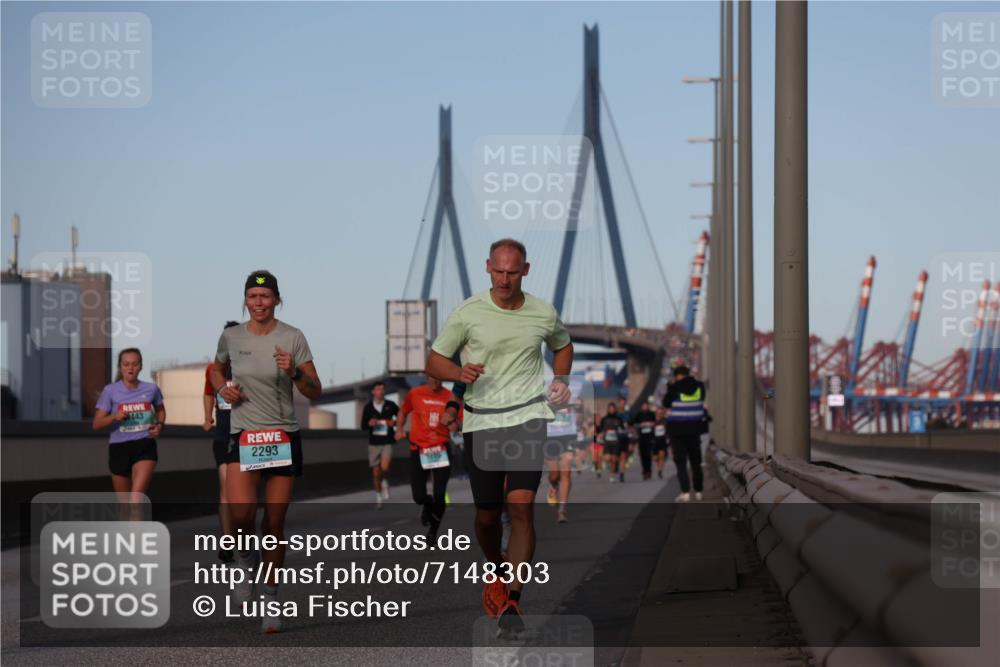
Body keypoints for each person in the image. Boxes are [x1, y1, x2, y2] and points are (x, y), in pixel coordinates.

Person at [425, 238, 573, 637]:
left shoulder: (543, 312)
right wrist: (458, 374)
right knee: (487, 515)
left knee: (522, 506)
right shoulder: (468, 313)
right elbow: (435, 360)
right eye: (498, 271)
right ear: (487, 267)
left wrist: (560, 378)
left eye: (513, 272)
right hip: (482, 422)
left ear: (526, 270)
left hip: (527, 417)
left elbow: (563, 345)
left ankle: (513, 598)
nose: (505, 279)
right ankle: (496, 567)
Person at [212, 270, 321, 633]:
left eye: (265, 297)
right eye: (252, 297)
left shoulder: (292, 337)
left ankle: (271, 599)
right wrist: (223, 389)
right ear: (245, 300)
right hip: (244, 436)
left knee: (274, 524)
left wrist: (293, 373)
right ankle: (245, 559)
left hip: (282, 437)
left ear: (277, 300)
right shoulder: (231, 336)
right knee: (242, 516)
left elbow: (315, 390)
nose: (258, 303)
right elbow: (216, 369)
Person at [93, 348, 166, 505]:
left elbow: (160, 410)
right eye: (126, 364)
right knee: (125, 506)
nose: (130, 368)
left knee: (135, 500)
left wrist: (160, 425)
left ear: (140, 366)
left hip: (144, 444)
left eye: (134, 364)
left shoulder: (151, 389)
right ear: (120, 367)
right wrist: (114, 416)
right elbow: (97, 424)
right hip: (119, 447)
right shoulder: (110, 391)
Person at [395, 377, 461, 541]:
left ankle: (433, 531)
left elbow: (460, 420)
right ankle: (427, 502)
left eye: (439, 378)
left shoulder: (450, 396)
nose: (436, 381)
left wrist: (455, 424)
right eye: (433, 377)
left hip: (441, 448)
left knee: (440, 494)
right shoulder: (415, 393)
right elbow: (403, 411)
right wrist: (399, 429)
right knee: (418, 496)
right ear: (427, 376)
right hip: (419, 448)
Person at [203, 321, 241, 562]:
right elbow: (208, 392)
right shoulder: (213, 370)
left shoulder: (249, 368)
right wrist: (207, 417)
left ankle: (242, 537)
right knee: (226, 489)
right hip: (223, 435)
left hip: (248, 435)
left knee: (243, 494)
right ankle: (228, 541)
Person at [662, 366, 707, 502]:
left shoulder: (674, 387)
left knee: (681, 462)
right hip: (694, 429)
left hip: (677, 430)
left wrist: (670, 388)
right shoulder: (700, 386)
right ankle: (699, 491)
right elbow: (702, 399)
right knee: (696, 462)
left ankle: (685, 492)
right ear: (688, 374)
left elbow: (666, 403)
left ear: (677, 376)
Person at [544, 376, 583, 523]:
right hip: (549, 435)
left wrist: (579, 405)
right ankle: (553, 485)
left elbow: (579, 405)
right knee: (554, 475)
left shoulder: (575, 385)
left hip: (568, 434)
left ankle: (562, 510)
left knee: (566, 472)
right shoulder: (542, 385)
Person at [361, 381, 400, 509]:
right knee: (376, 473)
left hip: (387, 441)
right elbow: (363, 426)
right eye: (378, 389)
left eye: (382, 389)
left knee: (385, 468)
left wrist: (393, 423)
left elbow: (401, 417)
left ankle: (385, 481)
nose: (381, 391)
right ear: (373, 392)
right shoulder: (368, 407)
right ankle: (379, 496)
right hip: (374, 443)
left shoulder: (391, 405)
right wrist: (369, 423)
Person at [599, 403, 626, 483]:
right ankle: (607, 465)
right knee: (608, 458)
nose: (611, 410)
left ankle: (612, 476)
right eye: (610, 409)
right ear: (608, 409)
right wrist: (601, 434)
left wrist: (622, 430)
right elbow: (601, 430)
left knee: (614, 460)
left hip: (616, 441)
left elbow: (622, 429)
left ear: (615, 409)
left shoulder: (618, 419)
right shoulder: (604, 419)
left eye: (613, 409)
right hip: (607, 441)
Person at [632, 400, 657, 481]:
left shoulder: (652, 414)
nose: (645, 407)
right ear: (642, 407)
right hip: (642, 438)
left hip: (650, 437)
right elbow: (633, 423)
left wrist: (652, 424)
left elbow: (656, 423)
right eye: (644, 406)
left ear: (648, 406)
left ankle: (649, 471)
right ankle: (644, 471)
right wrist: (640, 425)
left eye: (647, 405)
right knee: (643, 455)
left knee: (649, 455)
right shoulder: (639, 414)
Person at [652, 406, 669, 480]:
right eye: (658, 413)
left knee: (662, 456)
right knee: (655, 458)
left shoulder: (665, 421)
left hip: (663, 440)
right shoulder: (652, 420)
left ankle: (660, 471)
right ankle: (658, 466)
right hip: (654, 441)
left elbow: (669, 430)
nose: (659, 414)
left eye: (661, 413)